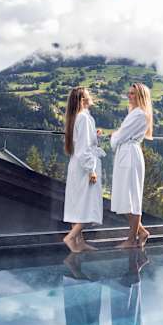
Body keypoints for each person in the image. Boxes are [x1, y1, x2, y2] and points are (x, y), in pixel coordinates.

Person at [111, 82, 153, 248]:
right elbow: (122, 135)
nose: (129, 96)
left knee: (132, 197)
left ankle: (131, 239)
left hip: (130, 156)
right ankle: (141, 232)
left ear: (141, 96)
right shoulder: (135, 113)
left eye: (133, 93)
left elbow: (120, 137)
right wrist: (117, 136)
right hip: (127, 155)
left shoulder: (139, 114)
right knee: (124, 197)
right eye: (129, 93)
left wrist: (114, 136)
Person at [63, 87, 105, 252]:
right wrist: (91, 169)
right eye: (87, 95)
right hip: (84, 167)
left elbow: (81, 141)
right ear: (82, 100)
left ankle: (79, 242)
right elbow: (84, 149)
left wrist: (94, 134)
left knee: (77, 205)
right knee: (88, 205)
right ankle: (70, 237)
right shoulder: (84, 118)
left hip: (76, 165)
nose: (90, 96)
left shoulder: (76, 117)